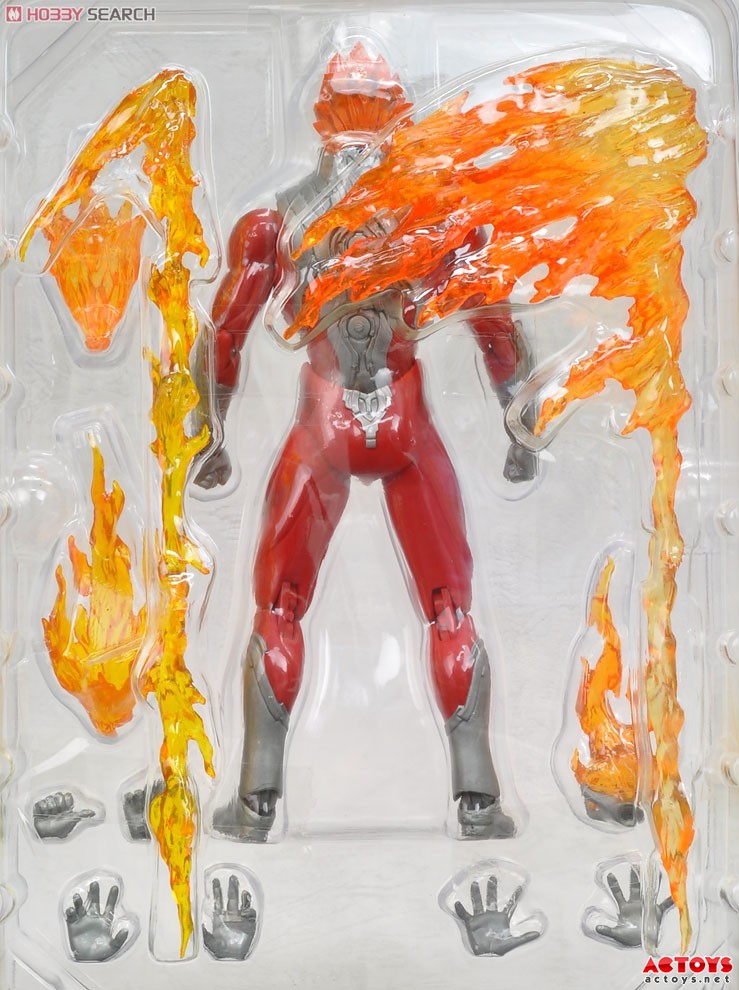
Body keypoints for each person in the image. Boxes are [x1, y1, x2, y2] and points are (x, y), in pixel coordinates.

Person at [195, 43, 537, 842]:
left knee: (280, 605)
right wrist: (519, 421)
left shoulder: (277, 222)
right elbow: (494, 326)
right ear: (397, 118)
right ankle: (478, 801)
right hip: (405, 422)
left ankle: (255, 803)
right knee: (449, 608)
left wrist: (211, 431)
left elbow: (226, 334)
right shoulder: (435, 218)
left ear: (322, 119)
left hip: (324, 422)